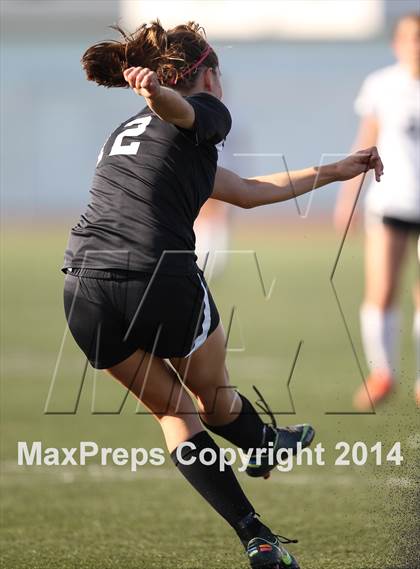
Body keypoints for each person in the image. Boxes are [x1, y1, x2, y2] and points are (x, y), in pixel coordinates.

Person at [63, 20, 383, 569]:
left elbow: (248, 192)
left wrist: (334, 170)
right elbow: (181, 112)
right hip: (155, 277)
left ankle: (256, 533)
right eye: (219, 73)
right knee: (213, 402)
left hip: (82, 290)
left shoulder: (129, 132)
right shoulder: (202, 111)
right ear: (207, 75)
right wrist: (163, 94)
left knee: (175, 415)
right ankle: (261, 443)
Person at [334, 13, 420, 410]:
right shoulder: (382, 85)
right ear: (396, 44)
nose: (415, 45)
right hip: (390, 202)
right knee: (382, 289)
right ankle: (382, 372)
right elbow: (365, 143)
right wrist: (348, 195)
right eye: (409, 38)